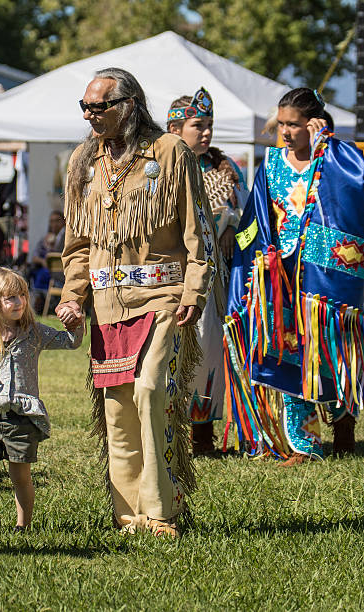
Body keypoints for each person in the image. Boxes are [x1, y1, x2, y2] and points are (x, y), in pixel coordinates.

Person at [56, 68, 223, 537]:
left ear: (129, 105)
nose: (90, 116)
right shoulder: (83, 162)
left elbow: (198, 229)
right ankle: (128, 513)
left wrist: (195, 288)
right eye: (85, 107)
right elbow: (77, 243)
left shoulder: (169, 152)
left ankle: (162, 510)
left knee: (152, 389)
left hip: (163, 294)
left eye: (100, 107)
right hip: (108, 303)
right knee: (117, 408)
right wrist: (73, 295)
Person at [224, 88, 362, 465]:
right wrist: (247, 259)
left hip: (319, 271)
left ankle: (342, 419)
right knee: (289, 350)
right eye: (281, 123)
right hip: (279, 273)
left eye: (294, 124)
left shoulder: (331, 155)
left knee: (327, 349)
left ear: (312, 123)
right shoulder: (271, 163)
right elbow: (255, 217)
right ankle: (304, 443)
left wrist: (328, 141)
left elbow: (358, 182)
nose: (285, 131)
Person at [0, 267, 83, 538]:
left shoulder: (34, 332)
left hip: (22, 414)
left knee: (21, 475)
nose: (18, 303)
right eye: (10, 298)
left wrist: (76, 323)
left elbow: (70, 342)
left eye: (22, 296)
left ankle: (23, 526)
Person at [167, 87, 249, 456]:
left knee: (209, 351)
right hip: (172, 276)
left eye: (210, 126)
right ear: (175, 128)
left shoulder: (226, 171)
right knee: (173, 353)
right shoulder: (160, 168)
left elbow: (251, 224)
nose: (206, 133)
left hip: (216, 279)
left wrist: (231, 222)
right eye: (197, 125)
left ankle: (202, 436)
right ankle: (170, 432)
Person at [29, 210, 66, 313]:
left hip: (60, 273)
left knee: (41, 275)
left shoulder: (66, 236)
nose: (54, 224)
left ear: (64, 221)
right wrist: (42, 261)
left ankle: (42, 303)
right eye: (51, 221)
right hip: (48, 270)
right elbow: (35, 256)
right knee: (32, 273)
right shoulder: (46, 238)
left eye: (57, 220)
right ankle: (40, 301)